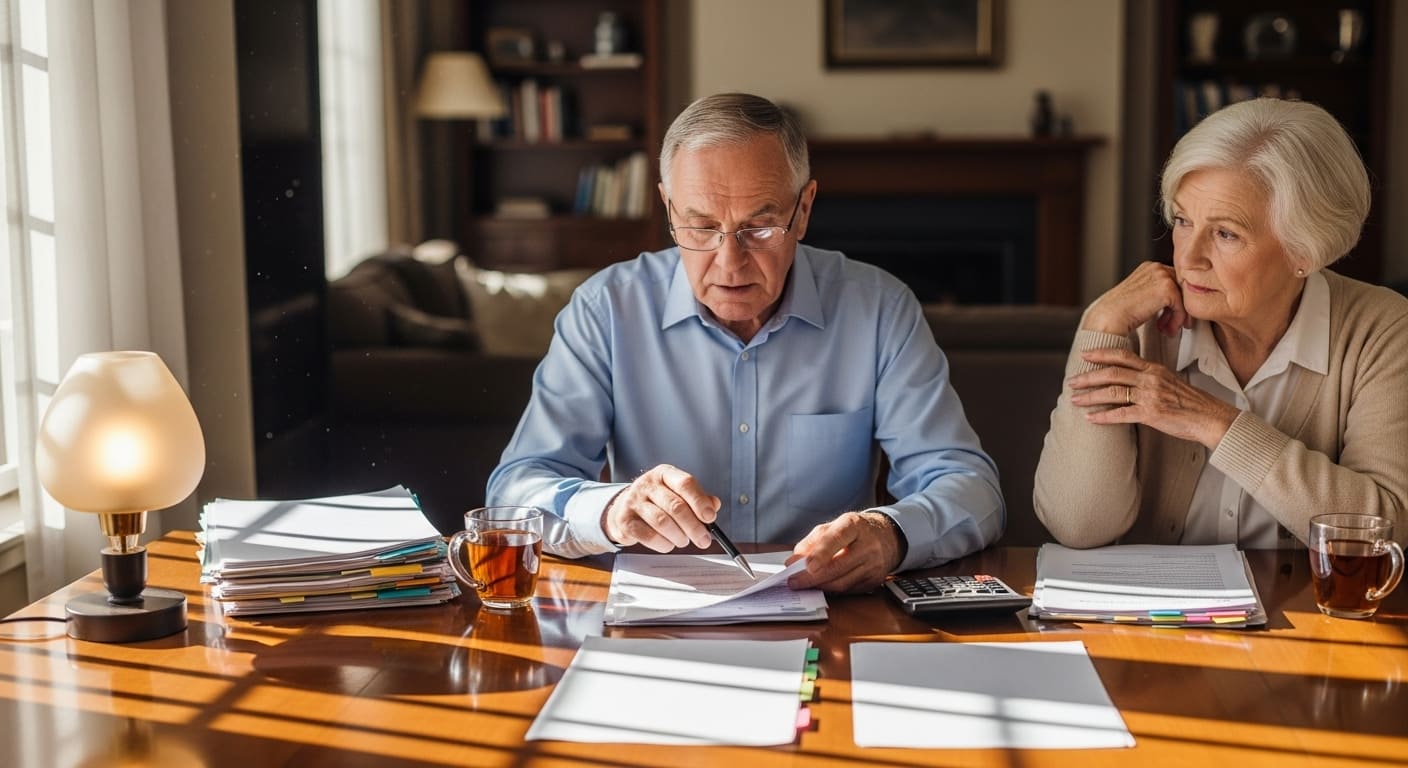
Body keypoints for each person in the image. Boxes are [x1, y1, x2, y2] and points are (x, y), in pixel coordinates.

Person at [487, 92, 1003, 591]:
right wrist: (611, 509)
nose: (729, 262)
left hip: (831, 614)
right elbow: (515, 490)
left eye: (759, 226)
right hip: (659, 621)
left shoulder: (879, 309)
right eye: (701, 226)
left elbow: (971, 488)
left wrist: (892, 534)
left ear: (803, 211)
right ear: (669, 210)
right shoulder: (606, 310)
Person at [1034, 98, 1408, 549]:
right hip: (1150, 615)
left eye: (1226, 233)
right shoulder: (1134, 324)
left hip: (1305, 614)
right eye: (1182, 221)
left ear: (1306, 252)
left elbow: (1386, 528)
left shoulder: (1381, 329)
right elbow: (1078, 526)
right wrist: (1099, 323)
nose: (1188, 259)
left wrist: (1215, 423)